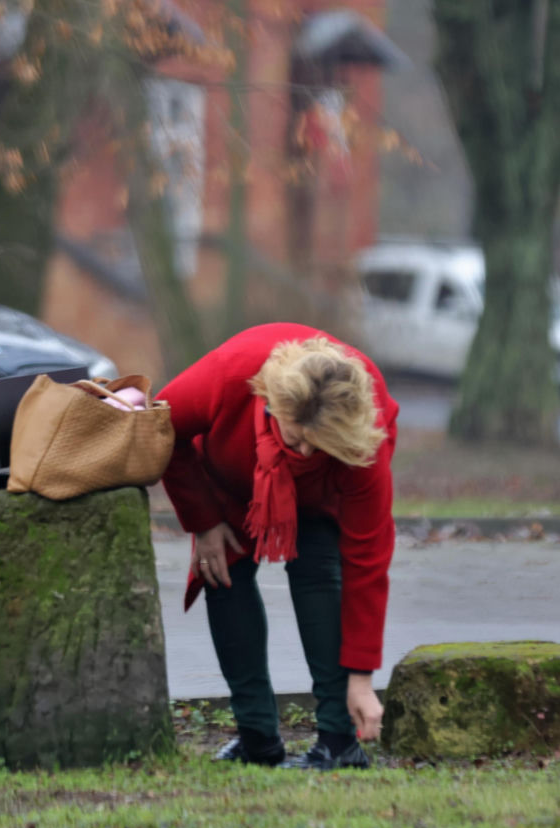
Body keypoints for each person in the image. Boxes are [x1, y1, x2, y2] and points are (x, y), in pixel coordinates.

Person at [155, 322, 398, 770]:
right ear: (269, 404)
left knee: (320, 570)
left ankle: (338, 742)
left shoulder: (362, 432)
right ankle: (257, 740)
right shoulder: (230, 375)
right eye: (296, 437)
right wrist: (204, 522)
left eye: (316, 444)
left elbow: (367, 560)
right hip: (230, 478)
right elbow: (160, 427)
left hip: (324, 493)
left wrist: (362, 679)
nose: (304, 453)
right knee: (222, 573)